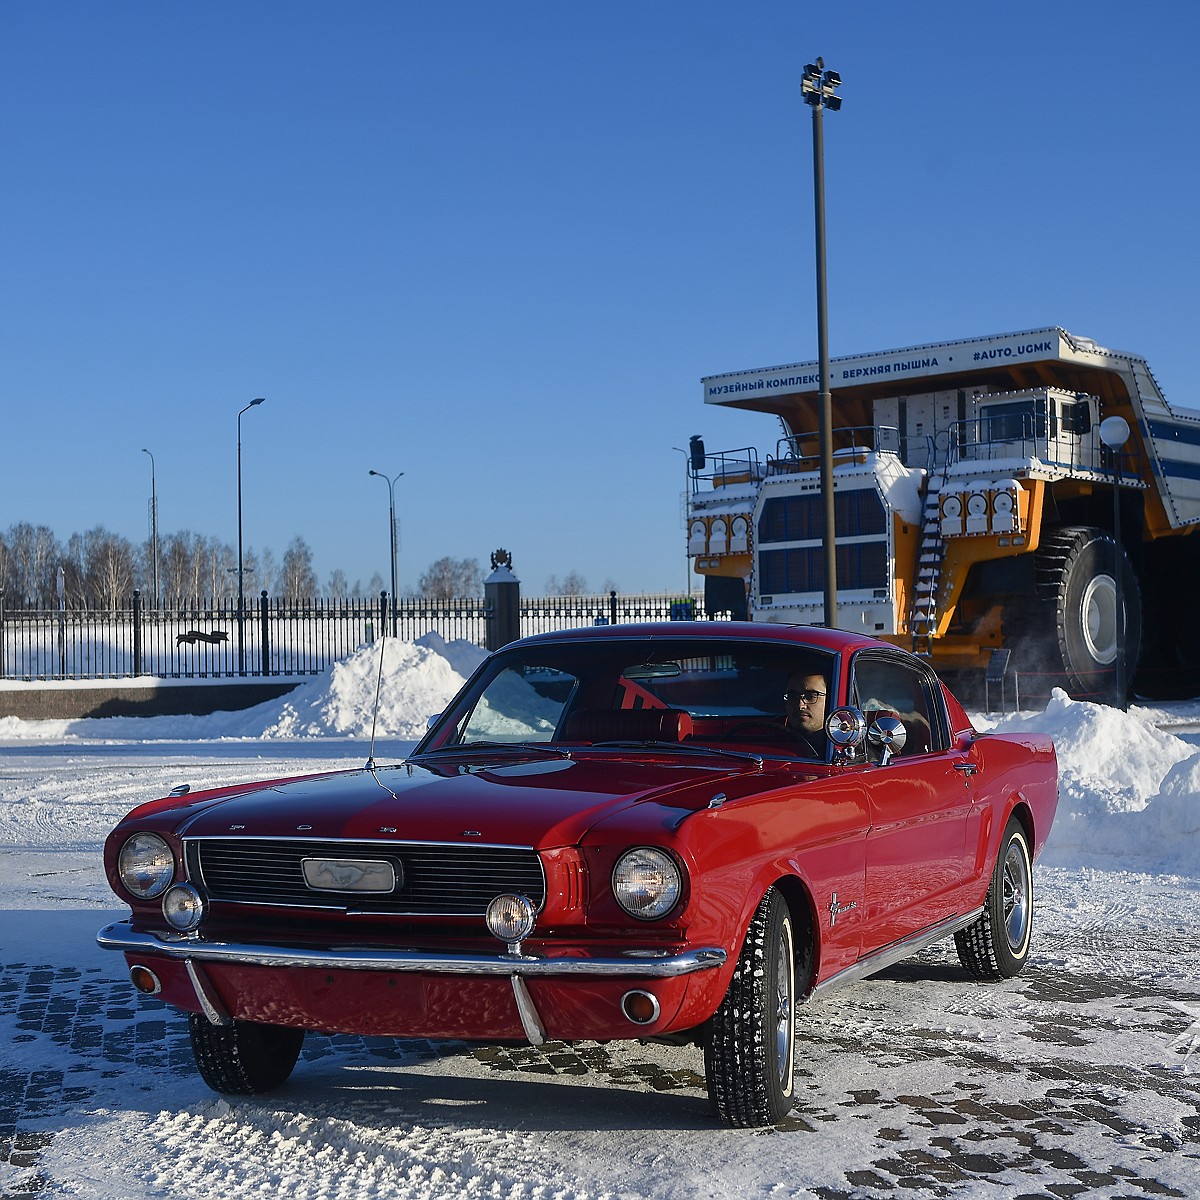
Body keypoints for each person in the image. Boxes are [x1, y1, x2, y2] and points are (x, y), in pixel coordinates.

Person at [782, 671, 829, 756]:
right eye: (792, 697)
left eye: (810, 696)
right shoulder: (769, 737)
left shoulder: (842, 746)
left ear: (828, 700)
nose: (800, 705)